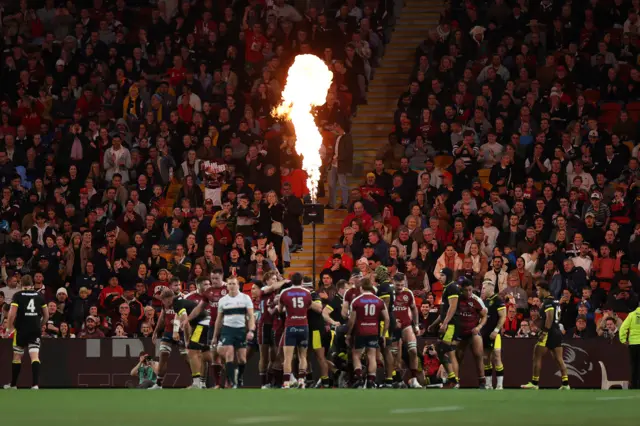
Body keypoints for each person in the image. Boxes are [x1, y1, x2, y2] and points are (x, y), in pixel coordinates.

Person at [521, 280, 570, 390]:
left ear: (544, 289)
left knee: (537, 356)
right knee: (559, 359)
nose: (537, 292)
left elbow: (550, 317)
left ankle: (534, 383)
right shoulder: (556, 301)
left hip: (549, 332)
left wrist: (544, 332)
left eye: (538, 290)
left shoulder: (548, 302)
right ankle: (566, 384)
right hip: (557, 331)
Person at [3, 275, 48, 389]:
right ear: (32, 284)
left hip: (21, 330)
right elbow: (46, 315)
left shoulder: (17, 295)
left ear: (21, 284)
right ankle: (35, 385)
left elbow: (12, 314)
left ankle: (13, 385)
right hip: (34, 330)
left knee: (17, 357)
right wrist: (40, 325)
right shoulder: (39, 296)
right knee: (34, 356)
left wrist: (8, 329)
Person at [278, 272, 323, 389]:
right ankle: (302, 380)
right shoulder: (307, 293)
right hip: (303, 325)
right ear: (302, 281)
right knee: (303, 356)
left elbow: (280, 309)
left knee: (288, 356)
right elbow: (308, 306)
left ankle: (286, 382)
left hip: (290, 325)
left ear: (291, 281)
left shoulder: (285, 293)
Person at [346, 277, 389, 389]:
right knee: (372, 356)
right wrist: (383, 334)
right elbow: (387, 318)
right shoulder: (379, 301)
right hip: (374, 331)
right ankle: (371, 381)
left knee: (356, 355)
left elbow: (352, 320)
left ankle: (359, 378)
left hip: (360, 331)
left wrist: (349, 334)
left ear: (361, 288)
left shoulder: (356, 301)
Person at [212, 277, 255, 388]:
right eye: (229, 284)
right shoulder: (223, 300)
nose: (232, 286)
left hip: (240, 330)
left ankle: (239, 377)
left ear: (238, 285)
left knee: (242, 359)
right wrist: (215, 336)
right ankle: (232, 382)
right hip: (227, 330)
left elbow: (251, 316)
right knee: (229, 354)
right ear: (227, 286)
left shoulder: (245, 298)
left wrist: (251, 330)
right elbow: (218, 319)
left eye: (234, 284)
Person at [427, 268, 461, 388]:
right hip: (447, 323)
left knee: (445, 351)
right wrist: (434, 324)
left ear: (448, 276)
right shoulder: (447, 288)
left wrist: (445, 323)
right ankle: (453, 379)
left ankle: (455, 379)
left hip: (451, 325)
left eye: (442, 275)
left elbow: (453, 307)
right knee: (446, 351)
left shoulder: (452, 287)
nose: (440, 277)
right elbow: (444, 312)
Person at [455, 277, 488, 388]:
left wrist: (479, 326)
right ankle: (456, 381)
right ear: (461, 290)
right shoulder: (457, 299)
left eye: (470, 290)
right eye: (466, 290)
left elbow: (484, 316)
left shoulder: (477, 300)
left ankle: (482, 382)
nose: (469, 292)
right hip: (460, 332)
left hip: (473, 332)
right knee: (458, 357)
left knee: (478, 355)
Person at [391, 272, 422, 388]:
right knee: (395, 355)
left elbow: (414, 309)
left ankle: (414, 379)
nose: (399, 287)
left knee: (413, 350)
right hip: (393, 327)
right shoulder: (388, 292)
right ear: (392, 281)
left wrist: (416, 325)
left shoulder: (408, 293)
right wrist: (392, 322)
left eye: (401, 285)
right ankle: (398, 379)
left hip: (406, 325)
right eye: (397, 285)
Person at [480, 279, 506, 390]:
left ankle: (500, 385)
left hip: (495, 335)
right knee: (486, 358)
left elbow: (503, 316)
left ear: (490, 288)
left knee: (496, 358)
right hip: (485, 333)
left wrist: (496, 330)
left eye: (484, 288)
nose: (482, 290)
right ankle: (489, 384)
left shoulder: (498, 300)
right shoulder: (485, 301)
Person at [619, 303, 640, 389]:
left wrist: (623, 340)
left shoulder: (632, 315)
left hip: (633, 344)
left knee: (634, 366)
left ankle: (634, 386)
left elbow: (623, 328)